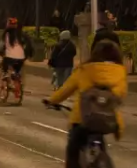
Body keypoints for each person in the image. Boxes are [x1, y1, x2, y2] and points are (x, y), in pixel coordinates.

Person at [45, 40, 127, 168]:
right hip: (107, 118)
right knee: (101, 146)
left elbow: (66, 90)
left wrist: (52, 100)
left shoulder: (84, 69)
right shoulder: (120, 72)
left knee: (72, 149)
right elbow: (121, 95)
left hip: (82, 119)